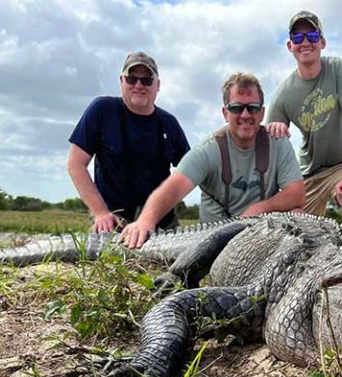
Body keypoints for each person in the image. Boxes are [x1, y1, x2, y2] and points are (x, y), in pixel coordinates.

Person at [120, 72, 305, 249]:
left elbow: (297, 194)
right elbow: (175, 186)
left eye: (253, 108)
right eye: (236, 108)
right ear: (225, 113)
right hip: (214, 243)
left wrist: (260, 208)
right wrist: (146, 221)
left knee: (299, 215)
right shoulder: (209, 149)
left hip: (259, 234)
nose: (246, 115)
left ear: (262, 112)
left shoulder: (278, 142)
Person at [266, 10, 342, 235]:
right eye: (297, 38)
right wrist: (275, 128)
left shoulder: (337, 69)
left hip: (341, 166)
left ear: (322, 42)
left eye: (311, 36)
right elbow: (264, 145)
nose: (305, 42)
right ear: (290, 46)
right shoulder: (283, 94)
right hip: (308, 173)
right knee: (294, 227)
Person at [67, 51, 190, 233]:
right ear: (121, 81)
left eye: (147, 80)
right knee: (109, 256)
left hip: (160, 223)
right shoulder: (102, 110)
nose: (139, 85)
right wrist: (101, 213)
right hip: (115, 220)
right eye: (132, 79)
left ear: (158, 85)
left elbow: (191, 171)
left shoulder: (169, 123)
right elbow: (75, 163)